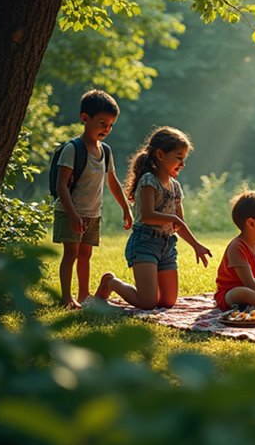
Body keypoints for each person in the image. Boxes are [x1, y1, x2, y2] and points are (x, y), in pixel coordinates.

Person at [95, 126, 212, 309]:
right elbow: (147, 215)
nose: (182, 164)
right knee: (147, 303)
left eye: (184, 158)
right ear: (160, 154)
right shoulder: (149, 181)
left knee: (167, 302)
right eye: (178, 157)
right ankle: (110, 282)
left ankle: (144, 288)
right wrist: (173, 220)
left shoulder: (175, 187)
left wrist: (196, 246)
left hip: (166, 246)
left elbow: (179, 224)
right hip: (145, 243)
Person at [53, 89, 133, 308]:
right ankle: (66, 297)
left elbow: (113, 181)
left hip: (93, 213)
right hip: (70, 211)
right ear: (85, 118)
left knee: (85, 254)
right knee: (71, 252)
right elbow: (61, 185)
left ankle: (83, 295)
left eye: (110, 125)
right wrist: (72, 214)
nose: (106, 129)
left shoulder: (105, 151)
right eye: (102, 123)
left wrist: (126, 209)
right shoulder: (72, 149)